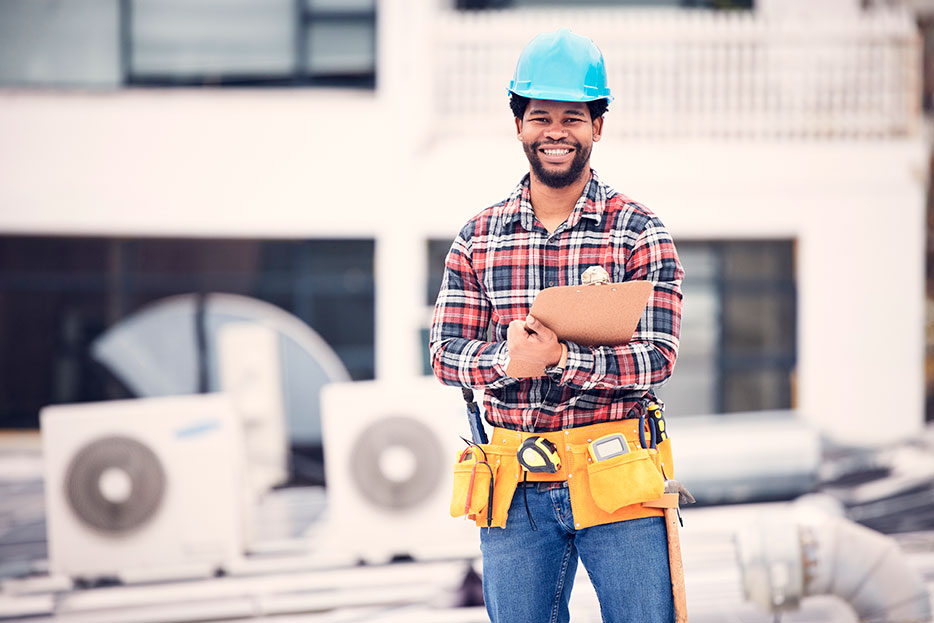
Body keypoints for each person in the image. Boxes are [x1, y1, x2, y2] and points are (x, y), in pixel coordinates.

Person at [429, 28, 683, 623]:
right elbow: (444, 354)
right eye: (541, 116)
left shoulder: (639, 232)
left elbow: (659, 357)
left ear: (598, 126)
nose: (556, 132)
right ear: (518, 124)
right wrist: (505, 362)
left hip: (616, 473)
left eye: (573, 117)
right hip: (514, 485)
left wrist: (563, 361)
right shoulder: (479, 238)